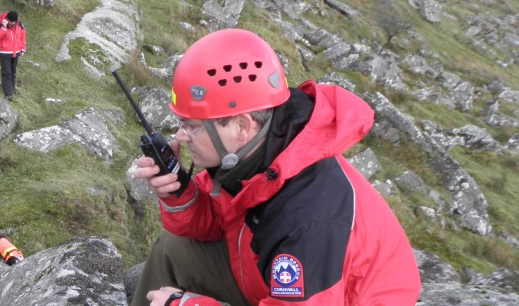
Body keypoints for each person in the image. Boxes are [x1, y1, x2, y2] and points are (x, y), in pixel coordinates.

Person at [130, 29, 421, 306]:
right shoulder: (253, 155)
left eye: (191, 127)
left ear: (242, 125)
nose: (181, 137)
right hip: (277, 285)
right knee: (174, 246)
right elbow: (218, 224)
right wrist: (179, 194)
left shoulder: (307, 219)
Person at [0, 10, 26, 100]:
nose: (12, 24)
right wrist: (4, 27)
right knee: (6, 73)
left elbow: (23, 35)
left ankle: (12, 88)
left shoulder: (19, 23)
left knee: (13, 72)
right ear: (7, 19)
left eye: (14, 22)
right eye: (11, 22)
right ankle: (8, 93)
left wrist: (23, 48)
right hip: (5, 53)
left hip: (16, 52)